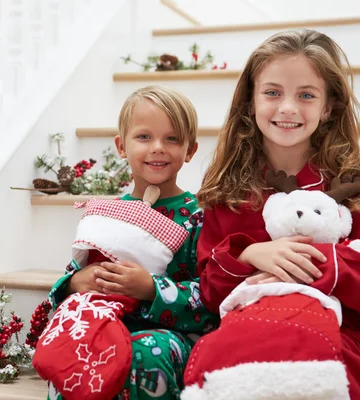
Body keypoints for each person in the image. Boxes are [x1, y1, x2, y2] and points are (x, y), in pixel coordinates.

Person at [192, 29, 360, 399]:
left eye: (306, 95)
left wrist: (310, 262)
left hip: (334, 338)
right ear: (249, 103)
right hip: (249, 332)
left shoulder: (347, 183)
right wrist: (249, 255)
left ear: (327, 106)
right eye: (272, 92)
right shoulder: (230, 185)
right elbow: (209, 288)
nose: (288, 107)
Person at [46, 85, 218, 400]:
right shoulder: (105, 214)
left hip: (170, 336)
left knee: (144, 353)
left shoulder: (198, 218)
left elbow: (210, 298)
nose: (157, 148)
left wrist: (152, 289)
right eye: (143, 137)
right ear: (121, 146)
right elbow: (70, 277)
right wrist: (76, 282)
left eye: (172, 139)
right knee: (72, 347)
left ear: (190, 150)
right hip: (101, 322)